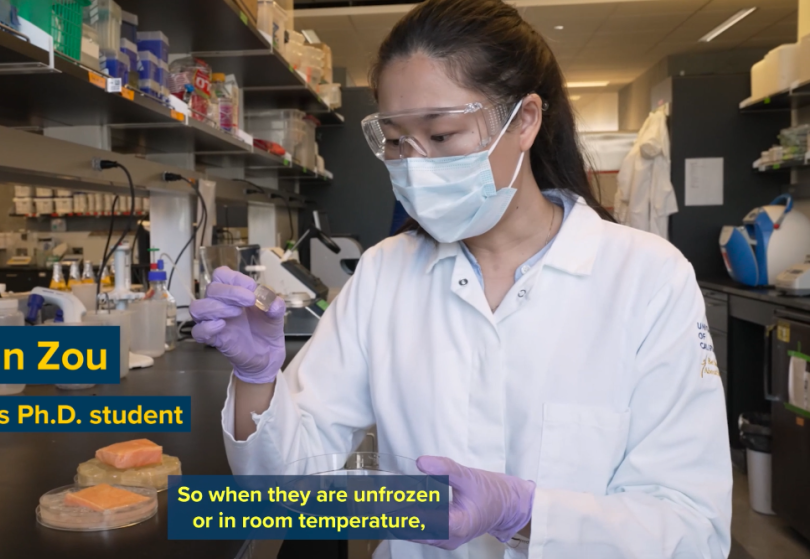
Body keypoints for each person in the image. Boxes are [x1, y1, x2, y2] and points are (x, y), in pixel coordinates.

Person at [189, 0, 732, 557]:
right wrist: (259, 379)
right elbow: (286, 492)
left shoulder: (647, 279)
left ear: (524, 121)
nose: (416, 164)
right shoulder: (385, 274)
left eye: (443, 135)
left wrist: (526, 514)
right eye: (398, 141)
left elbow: (693, 530)